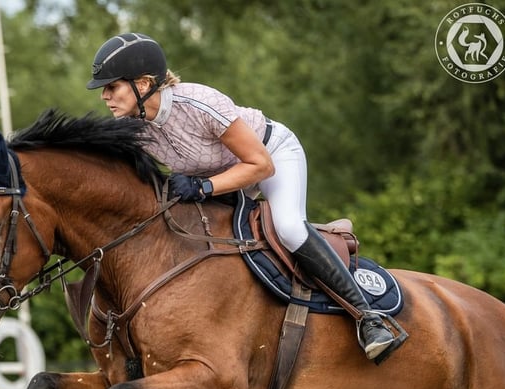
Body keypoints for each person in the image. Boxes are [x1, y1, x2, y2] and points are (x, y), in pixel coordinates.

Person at [86, 32, 403, 363]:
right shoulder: (138, 126)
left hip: (272, 155)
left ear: (144, 83)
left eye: (112, 87)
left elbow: (260, 166)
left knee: (290, 228)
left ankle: (369, 319)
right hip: (224, 176)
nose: (105, 96)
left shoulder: (198, 103)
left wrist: (204, 188)